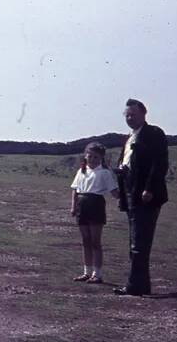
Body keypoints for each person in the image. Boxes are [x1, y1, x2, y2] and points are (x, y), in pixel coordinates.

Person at [114, 99, 169, 296]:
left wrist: (149, 189)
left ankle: (134, 286)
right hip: (130, 192)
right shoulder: (129, 137)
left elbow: (159, 164)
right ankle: (141, 285)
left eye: (133, 115)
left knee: (139, 243)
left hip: (145, 195)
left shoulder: (153, 134)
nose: (130, 118)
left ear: (144, 114)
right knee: (136, 241)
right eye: (127, 115)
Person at [69, 142, 119, 284]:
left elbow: (114, 192)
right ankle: (86, 272)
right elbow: (75, 190)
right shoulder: (81, 171)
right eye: (90, 156)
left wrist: (124, 190)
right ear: (85, 156)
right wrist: (73, 206)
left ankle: (97, 274)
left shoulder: (104, 173)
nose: (92, 160)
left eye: (96, 157)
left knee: (95, 241)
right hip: (82, 205)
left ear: (101, 158)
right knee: (85, 240)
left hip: (96, 204)